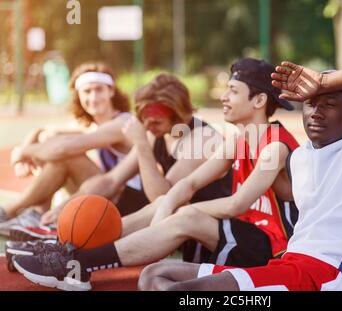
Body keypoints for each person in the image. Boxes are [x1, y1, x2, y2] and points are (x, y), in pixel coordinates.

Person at [136, 52, 342, 291]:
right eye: (311, 103)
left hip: (325, 278)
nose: (316, 112)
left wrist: (322, 81)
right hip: (289, 268)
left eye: (330, 104)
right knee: (154, 276)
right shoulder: (300, 159)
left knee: (183, 292)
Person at [12, 58, 299, 291]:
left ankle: (79, 262)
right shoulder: (238, 140)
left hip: (273, 249)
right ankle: (68, 253)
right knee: (171, 204)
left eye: (232, 91)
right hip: (235, 233)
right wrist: (167, 208)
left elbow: (237, 204)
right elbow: (188, 183)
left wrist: (175, 210)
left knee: (184, 212)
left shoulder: (274, 148)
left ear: (259, 100)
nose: (223, 97)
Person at [37, 73, 231, 227]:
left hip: (202, 223)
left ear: (179, 116)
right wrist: (65, 207)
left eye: (156, 121)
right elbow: (112, 180)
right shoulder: (156, 131)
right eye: (144, 119)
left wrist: (142, 146)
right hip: (164, 215)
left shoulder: (201, 139)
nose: (147, 126)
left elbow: (163, 198)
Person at [0, 62, 134, 236]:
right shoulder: (95, 126)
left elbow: (63, 149)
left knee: (67, 155)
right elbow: (44, 131)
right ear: (78, 95)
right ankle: (37, 213)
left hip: (128, 203)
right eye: (87, 91)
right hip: (107, 193)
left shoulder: (122, 124)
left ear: (111, 91)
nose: (93, 97)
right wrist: (22, 154)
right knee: (50, 142)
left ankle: (11, 210)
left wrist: (22, 152)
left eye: (99, 90)